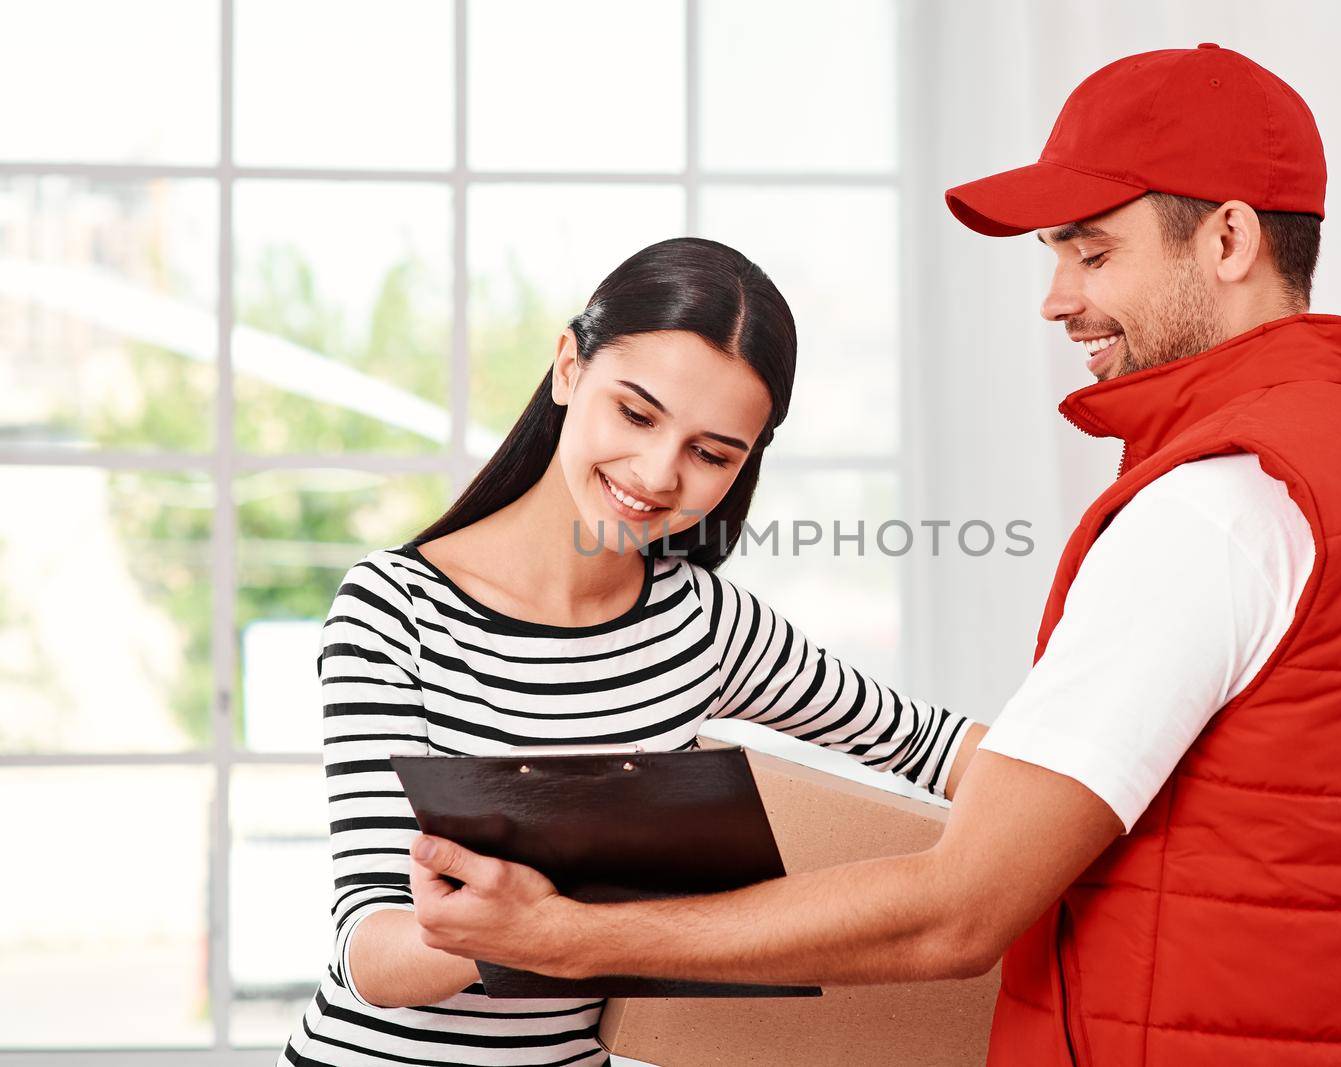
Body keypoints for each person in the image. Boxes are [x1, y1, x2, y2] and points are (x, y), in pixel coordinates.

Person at [408, 45, 1341, 1067]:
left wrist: (581, 932)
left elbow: (957, 909)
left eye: (1094, 249)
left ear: (1225, 240)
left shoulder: (1220, 502)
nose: (1056, 297)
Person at [275, 236, 984, 1067]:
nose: (656, 473)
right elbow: (371, 953)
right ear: (569, 367)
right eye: (637, 414)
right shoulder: (397, 609)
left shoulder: (700, 622)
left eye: (712, 452)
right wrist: (523, 930)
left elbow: (939, 746)